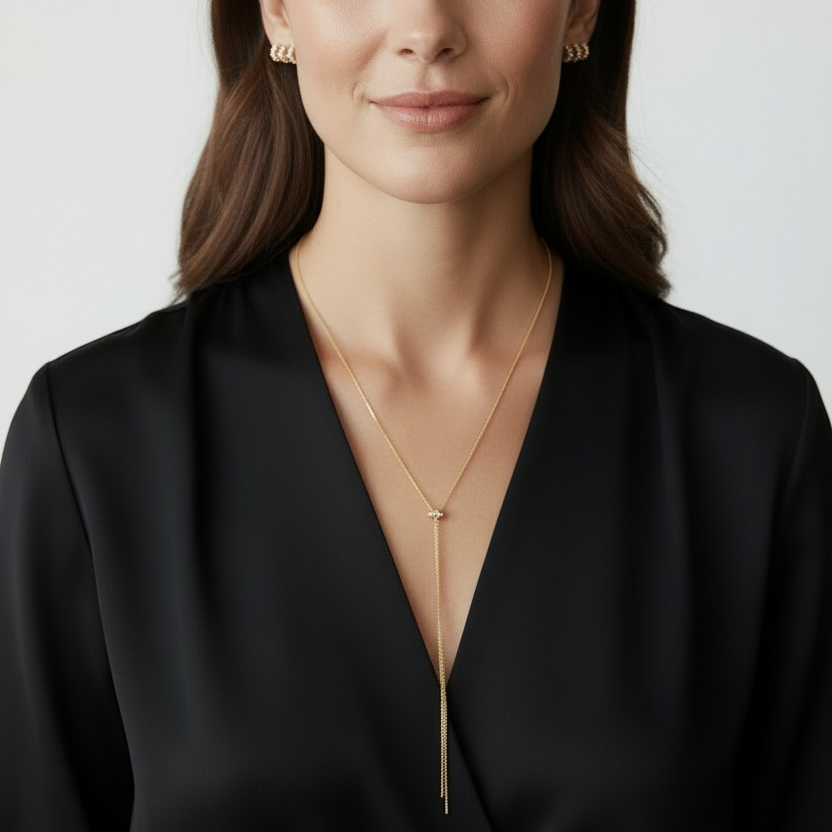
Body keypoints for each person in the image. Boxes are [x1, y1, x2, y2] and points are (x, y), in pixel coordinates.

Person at [1, 0, 830, 829]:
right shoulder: (92, 442)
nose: (426, 28)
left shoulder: (752, 437)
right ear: (278, 11)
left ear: (580, 11)